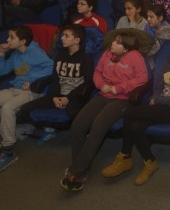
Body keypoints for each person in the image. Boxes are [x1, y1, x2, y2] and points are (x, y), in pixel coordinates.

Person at [101, 33, 170, 186]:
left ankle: (125, 156)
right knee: (136, 126)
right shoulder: (168, 64)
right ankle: (150, 162)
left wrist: (158, 99)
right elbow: (158, 87)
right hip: (159, 106)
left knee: (129, 112)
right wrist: (155, 97)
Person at [60, 31, 148, 191]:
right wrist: (102, 85)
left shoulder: (136, 57)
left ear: (126, 48)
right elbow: (97, 72)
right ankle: (82, 166)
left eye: (117, 42)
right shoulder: (107, 54)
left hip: (122, 99)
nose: (112, 44)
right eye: (113, 41)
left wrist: (118, 88)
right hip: (103, 95)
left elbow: (142, 79)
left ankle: (76, 171)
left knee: (98, 127)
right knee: (78, 125)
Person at [18, 25, 94, 146]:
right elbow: (55, 78)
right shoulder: (60, 53)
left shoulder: (86, 57)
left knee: (73, 112)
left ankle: (86, 132)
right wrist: (54, 96)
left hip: (76, 95)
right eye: (62, 35)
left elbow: (88, 82)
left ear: (76, 40)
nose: (62, 38)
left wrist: (68, 98)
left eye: (66, 36)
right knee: (25, 109)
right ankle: (50, 129)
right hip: (58, 93)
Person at [0, 26, 53, 173]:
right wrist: (1, 53)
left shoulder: (35, 52)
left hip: (31, 92)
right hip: (15, 89)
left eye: (11, 37)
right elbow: (0, 71)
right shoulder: (15, 54)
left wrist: (32, 79)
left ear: (23, 41)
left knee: (7, 108)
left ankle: (8, 151)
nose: (7, 40)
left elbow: (52, 67)